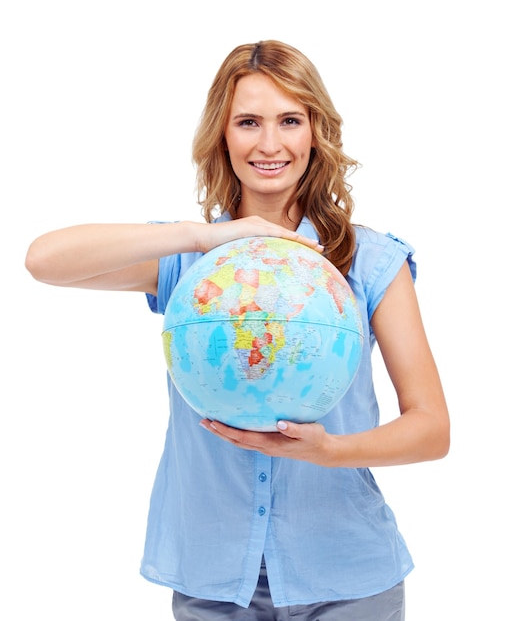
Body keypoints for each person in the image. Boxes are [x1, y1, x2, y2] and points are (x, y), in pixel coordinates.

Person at [25, 40, 450, 621]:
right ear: (222, 137)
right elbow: (44, 260)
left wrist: (330, 451)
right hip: (214, 579)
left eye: (290, 121)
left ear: (315, 133)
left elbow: (431, 428)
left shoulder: (370, 261)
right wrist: (198, 236)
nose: (269, 144)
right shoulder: (189, 263)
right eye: (248, 122)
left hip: (347, 577)